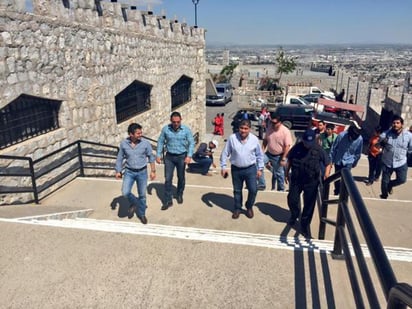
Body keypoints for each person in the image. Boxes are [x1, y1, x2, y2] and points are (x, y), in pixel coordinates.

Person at [286, 129, 331, 238]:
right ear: (303, 140)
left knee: (309, 205)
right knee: (292, 199)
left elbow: (328, 162)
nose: (307, 145)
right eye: (306, 142)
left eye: (309, 143)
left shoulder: (318, 149)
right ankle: (294, 214)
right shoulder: (297, 147)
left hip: (311, 181)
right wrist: (286, 173)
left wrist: (326, 174)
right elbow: (290, 160)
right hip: (297, 180)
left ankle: (305, 225)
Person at [220, 119, 264, 219]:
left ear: (250, 129)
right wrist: (223, 167)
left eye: (246, 128)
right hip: (236, 169)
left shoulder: (254, 139)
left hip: (250, 169)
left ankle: (249, 207)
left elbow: (259, 155)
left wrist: (260, 168)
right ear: (238, 128)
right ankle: (237, 208)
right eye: (241, 128)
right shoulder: (232, 138)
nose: (243, 131)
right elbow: (225, 153)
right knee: (237, 191)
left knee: (253, 190)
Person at [115, 123, 156, 224]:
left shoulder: (145, 143)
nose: (140, 135)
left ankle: (142, 214)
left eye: (141, 133)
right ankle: (135, 203)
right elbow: (120, 158)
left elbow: (151, 157)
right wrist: (118, 170)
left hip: (142, 172)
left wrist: (153, 171)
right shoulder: (124, 144)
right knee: (125, 192)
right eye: (138, 133)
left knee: (142, 194)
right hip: (129, 172)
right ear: (131, 134)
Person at [156, 112, 195, 210]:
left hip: (182, 156)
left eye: (178, 122)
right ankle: (168, 200)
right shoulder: (166, 129)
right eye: (174, 122)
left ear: (181, 120)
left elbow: (191, 143)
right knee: (168, 178)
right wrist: (158, 154)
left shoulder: (186, 130)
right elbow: (160, 141)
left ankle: (179, 194)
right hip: (169, 157)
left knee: (181, 177)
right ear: (171, 120)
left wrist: (189, 156)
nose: (176, 124)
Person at [379, 115, 412, 199]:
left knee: (402, 180)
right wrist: (382, 140)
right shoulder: (387, 134)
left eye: (398, 123)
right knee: (384, 181)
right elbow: (380, 138)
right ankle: (384, 195)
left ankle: (391, 184)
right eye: (394, 123)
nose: (395, 125)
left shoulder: (409, 136)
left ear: (402, 124)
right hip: (387, 162)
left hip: (401, 162)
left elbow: (410, 148)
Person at [262, 111, 293, 191]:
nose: (273, 124)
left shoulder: (285, 131)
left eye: (275, 123)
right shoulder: (269, 128)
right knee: (258, 163)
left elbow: (287, 146)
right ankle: (261, 184)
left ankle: (281, 189)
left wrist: (283, 158)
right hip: (268, 153)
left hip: (279, 156)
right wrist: (262, 151)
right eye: (272, 122)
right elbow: (265, 140)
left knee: (280, 174)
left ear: (280, 122)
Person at [329, 124, 363, 195]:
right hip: (338, 160)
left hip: (349, 162)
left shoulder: (359, 139)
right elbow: (334, 148)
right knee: (337, 178)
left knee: (346, 178)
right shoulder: (341, 136)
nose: (352, 139)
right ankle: (337, 190)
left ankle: (343, 192)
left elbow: (358, 153)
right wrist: (331, 161)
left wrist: (355, 162)